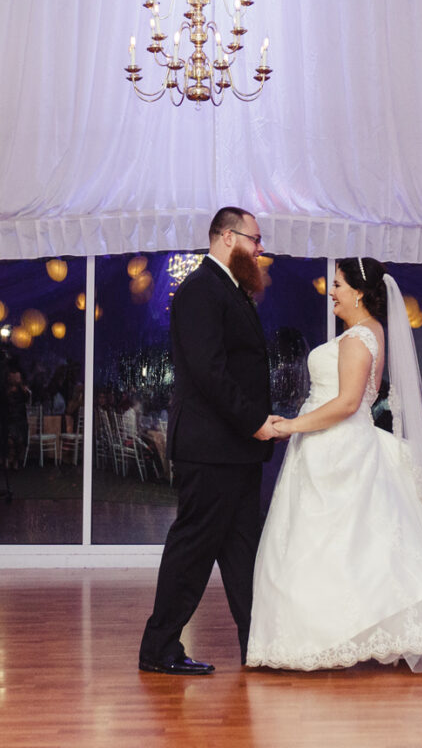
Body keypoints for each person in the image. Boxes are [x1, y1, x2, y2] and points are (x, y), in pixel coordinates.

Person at [248, 257, 422, 672]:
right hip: (338, 446)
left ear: (359, 291)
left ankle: (324, 638)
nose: (331, 291)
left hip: (337, 449)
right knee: (357, 546)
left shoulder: (356, 339)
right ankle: (342, 632)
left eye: (337, 284)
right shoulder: (372, 333)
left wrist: (290, 426)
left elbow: (348, 403)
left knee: (330, 543)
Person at [139, 207, 283, 676]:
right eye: (254, 239)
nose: (260, 249)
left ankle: (257, 646)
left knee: (243, 551)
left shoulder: (230, 289)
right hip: (212, 447)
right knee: (194, 548)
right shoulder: (202, 289)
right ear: (225, 237)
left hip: (233, 450)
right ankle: (158, 649)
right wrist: (254, 421)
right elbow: (209, 372)